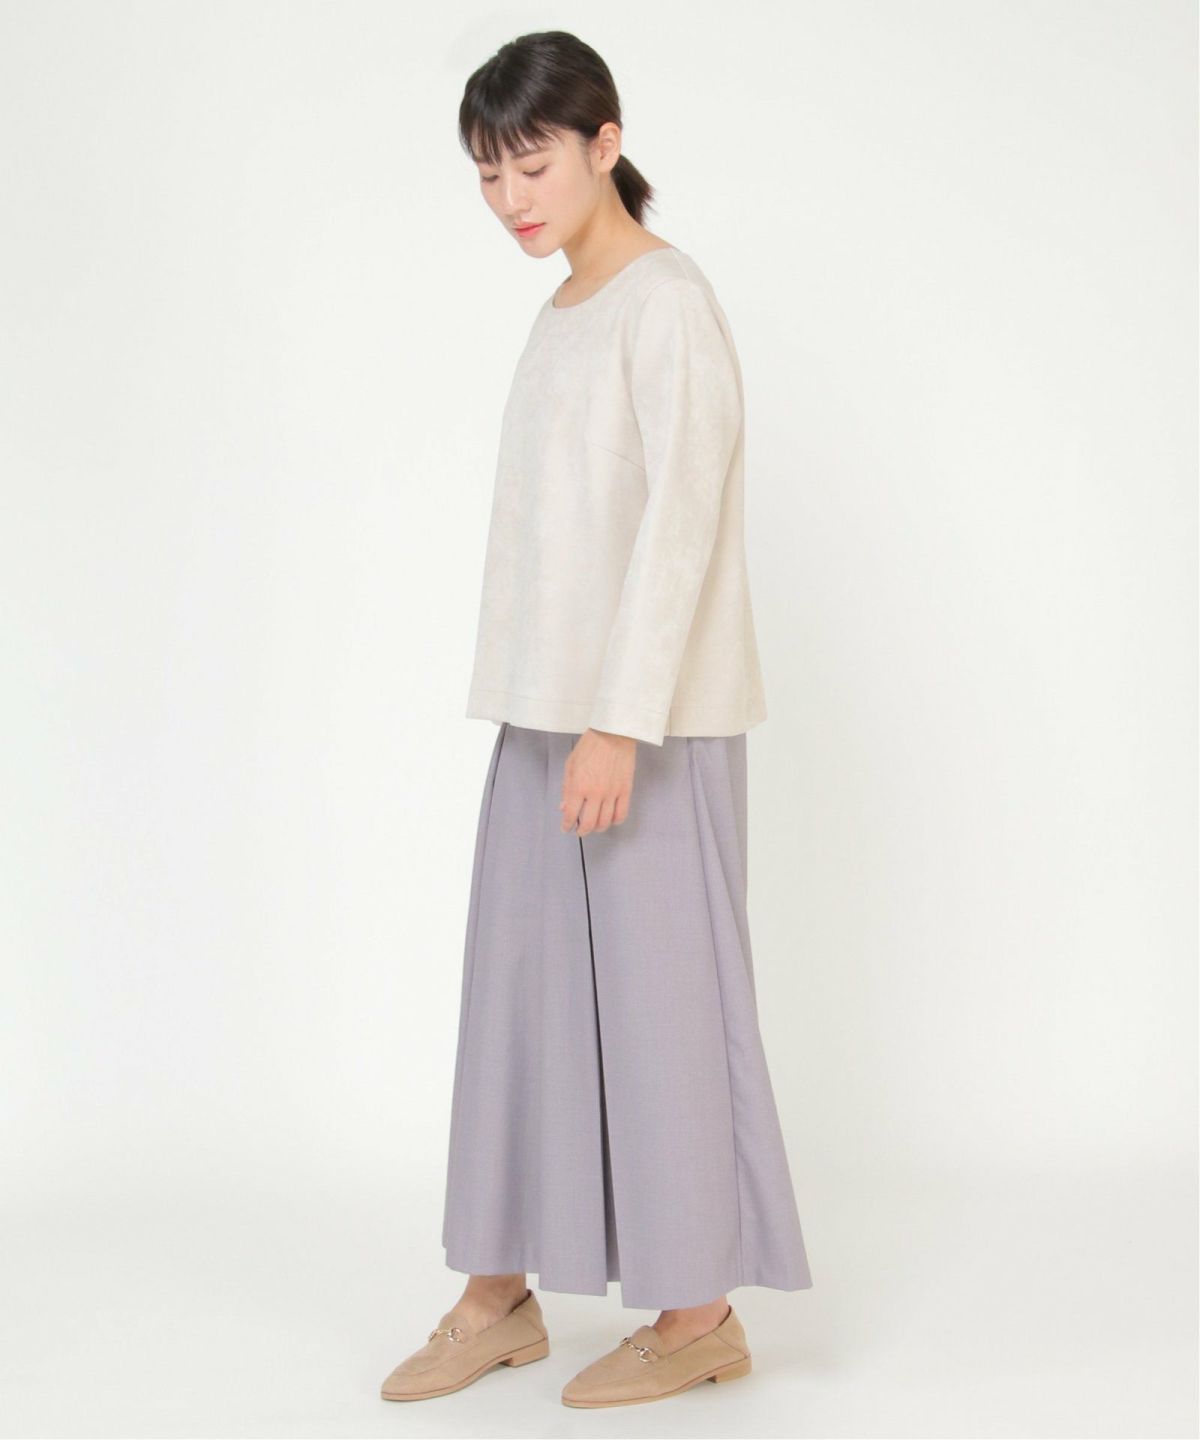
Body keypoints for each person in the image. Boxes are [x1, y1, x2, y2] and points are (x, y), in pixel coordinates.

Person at [381, 29, 813, 1410]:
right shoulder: (565, 306)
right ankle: (496, 1295)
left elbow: (682, 526)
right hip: (542, 718)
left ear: (605, 143)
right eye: (487, 174)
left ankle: (698, 1318)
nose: (510, 198)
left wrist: (620, 723)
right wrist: (557, 718)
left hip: (647, 727)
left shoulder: (666, 303)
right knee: (518, 1003)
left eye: (533, 164)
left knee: (664, 1009)